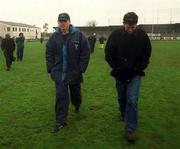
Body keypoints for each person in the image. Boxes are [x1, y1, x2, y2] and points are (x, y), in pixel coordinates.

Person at [105, 12, 152, 142]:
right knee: (122, 97)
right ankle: (123, 113)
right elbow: (108, 53)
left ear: (136, 24)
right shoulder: (115, 35)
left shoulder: (142, 36)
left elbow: (146, 54)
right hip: (120, 74)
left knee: (132, 99)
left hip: (135, 74)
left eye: (133, 27)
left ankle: (130, 129)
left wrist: (138, 68)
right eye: (128, 26)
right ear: (123, 23)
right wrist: (116, 68)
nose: (130, 29)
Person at [46, 13, 90, 132]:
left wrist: (81, 68)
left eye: (65, 21)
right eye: (60, 21)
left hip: (74, 71)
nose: (63, 24)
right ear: (58, 22)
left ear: (69, 21)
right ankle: (60, 120)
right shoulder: (54, 37)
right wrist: (51, 68)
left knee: (75, 92)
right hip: (59, 72)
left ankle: (77, 104)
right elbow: (49, 53)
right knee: (61, 95)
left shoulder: (79, 35)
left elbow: (85, 52)